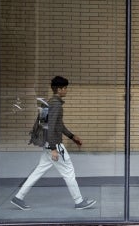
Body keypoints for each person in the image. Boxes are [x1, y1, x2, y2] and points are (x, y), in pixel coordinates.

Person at [11, 76, 96, 210]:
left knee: (38, 171)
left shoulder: (49, 103)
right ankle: (79, 201)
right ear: (59, 89)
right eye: (65, 88)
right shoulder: (56, 105)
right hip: (54, 145)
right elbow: (49, 126)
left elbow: (57, 125)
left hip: (48, 144)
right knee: (68, 171)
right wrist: (53, 148)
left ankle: (18, 197)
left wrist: (72, 136)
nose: (66, 90)